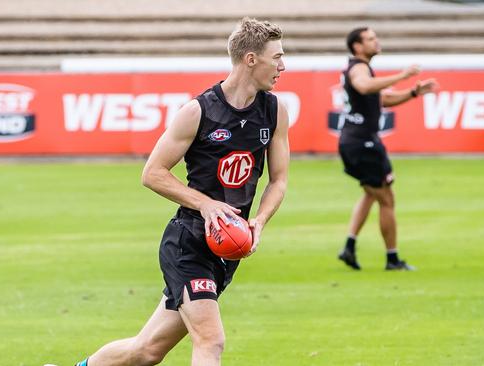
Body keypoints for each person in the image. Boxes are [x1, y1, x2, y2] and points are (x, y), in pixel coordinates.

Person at [73, 17, 289, 366]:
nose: (283, 65)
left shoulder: (275, 110)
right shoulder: (198, 111)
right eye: (276, 57)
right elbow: (153, 173)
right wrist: (206, 206)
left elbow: (278, 180)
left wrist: (259, 221)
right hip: (188, 242)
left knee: (146, 351)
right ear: (251, 59)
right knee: (211, 340)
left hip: (227, 250)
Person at [337, 27, 437, 271]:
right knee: (387, 199)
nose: (376, 41)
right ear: (357, 46)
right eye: (370, 39)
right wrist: (402, 76)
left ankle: (349, 247)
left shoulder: (360, 68)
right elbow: (364, 86)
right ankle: (392, 259)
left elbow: (381, 98)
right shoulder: (359, 68)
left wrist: (413, 92)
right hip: (363, 142)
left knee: (372, 193)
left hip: (355, 141)